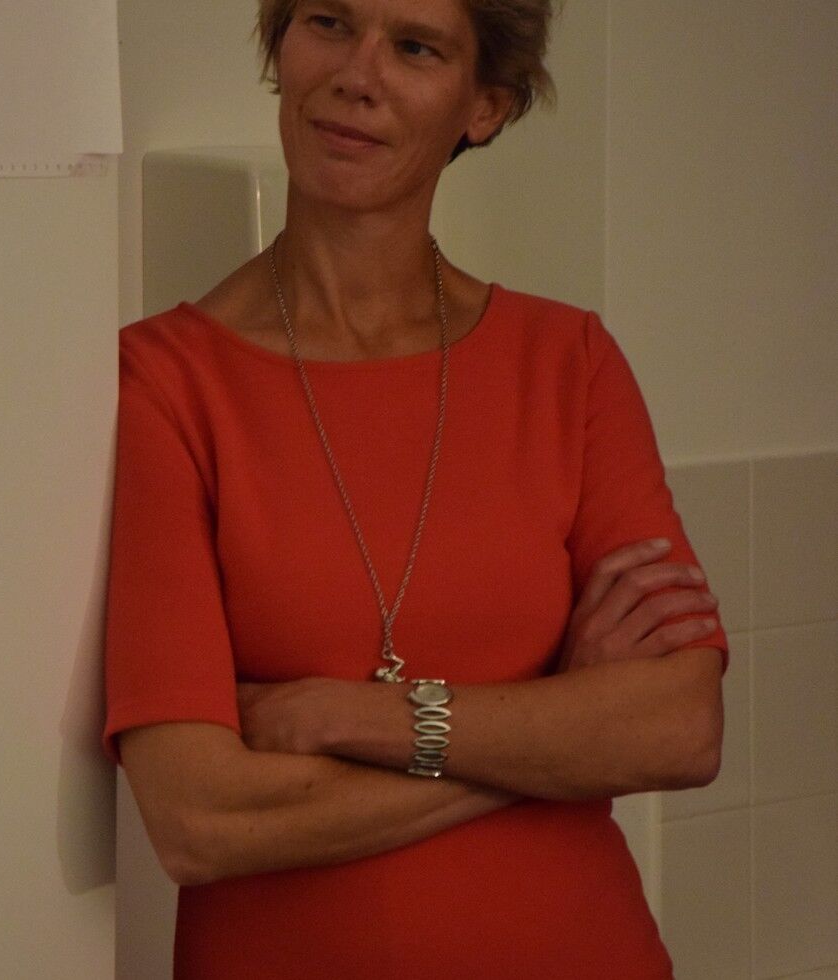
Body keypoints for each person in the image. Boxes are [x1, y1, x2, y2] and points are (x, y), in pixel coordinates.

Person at [102, 1, 728, 976]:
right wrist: (553, 726)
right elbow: (199, 819)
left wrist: (354, 717)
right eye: (328, 21)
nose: (359, 75)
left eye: (415, 47)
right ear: (279, 42)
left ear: (485, 105)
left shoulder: (568, 364)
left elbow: (679, 728)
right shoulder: (163, 382)